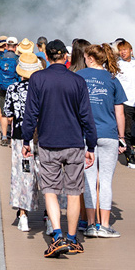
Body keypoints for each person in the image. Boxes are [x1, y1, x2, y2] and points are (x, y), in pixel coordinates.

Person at [23, 39, 95, 258]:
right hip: (74, 143)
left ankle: (57, 235)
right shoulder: (77, 81)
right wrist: (90, 144)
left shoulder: (38, 78)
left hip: (48, 142)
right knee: (74, 192)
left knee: (51, 190)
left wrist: (26, 140)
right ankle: (72, 239)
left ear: (46, 57)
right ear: (66, 57)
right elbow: (86, 115)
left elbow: (31, 113)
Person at [78, 44, 127, 238]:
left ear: (90, 58)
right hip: (109, 133)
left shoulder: (79, 76)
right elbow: (120, 112)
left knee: (89, 180)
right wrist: (122, 137)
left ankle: (90, 225)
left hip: (84, 134)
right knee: (105, 180)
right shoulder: (112, 78)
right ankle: (105, 225)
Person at [3, 47, 44, 231]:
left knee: (23, 175)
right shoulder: (43, 89)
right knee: (45, 175)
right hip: (42, 137)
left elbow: (8, 114)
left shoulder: (13, 88)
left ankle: (23, 216)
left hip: (21, 138)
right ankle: (50, 217)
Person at [114, 40, 135, 169]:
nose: (123, 52)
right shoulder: (117, 66)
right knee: (127, 130)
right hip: (125, 101)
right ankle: (129, 156)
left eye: (125, 50)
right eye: (120, 50)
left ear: (131, 50)